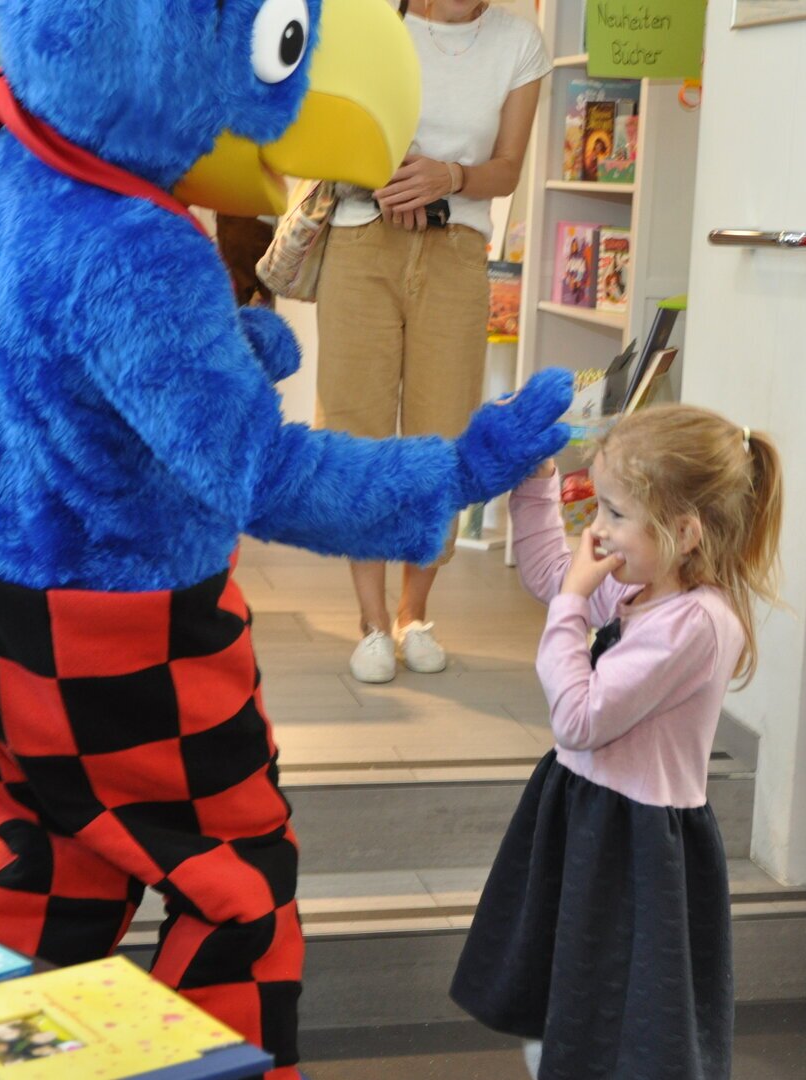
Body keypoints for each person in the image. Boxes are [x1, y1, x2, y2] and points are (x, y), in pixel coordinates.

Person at [451, 406, 785, 1080]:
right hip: (590, 816)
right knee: (567, 1000)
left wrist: (573, 605)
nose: (597, 529)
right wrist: (538, 480)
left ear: (683, 532)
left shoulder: (693, 623)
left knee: (616, 1020)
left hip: (632, 843)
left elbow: (579, 717)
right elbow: (552, 573)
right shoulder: (648, 589)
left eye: (615, 512)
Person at [315, 0, 549, 683]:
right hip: (362, 239)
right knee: (357, 431)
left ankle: (412, 615)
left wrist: (450, 177)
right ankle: (370, 622)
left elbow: (508, 168)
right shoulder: (371, 20)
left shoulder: (519, 43)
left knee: (441, 435)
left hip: (457, 250)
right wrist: (386, 175)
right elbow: (324, 132)